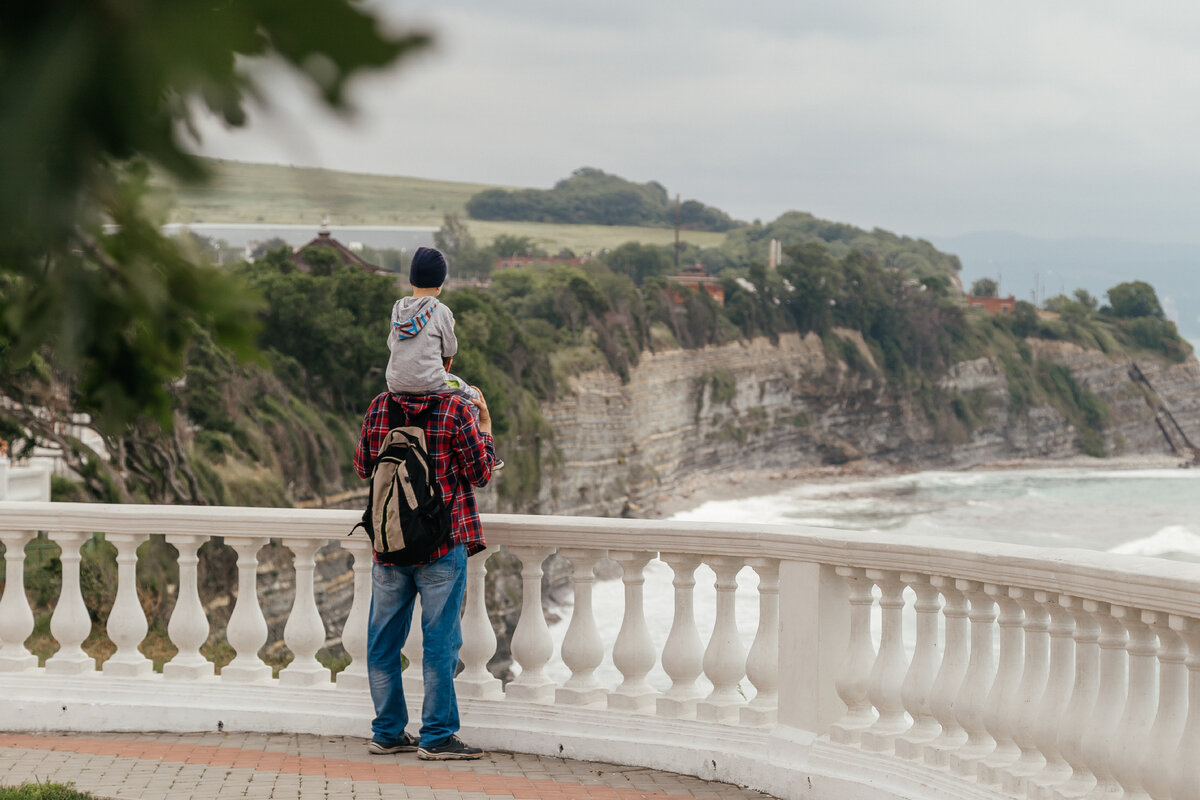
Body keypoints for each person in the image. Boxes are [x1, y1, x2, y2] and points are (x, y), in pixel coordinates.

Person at [353, 374, 496, 760]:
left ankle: (387, 732)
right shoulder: (456, 408)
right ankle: (436, 736)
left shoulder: (381, 405)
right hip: (441, 545)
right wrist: (484, 423)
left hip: (390, 545)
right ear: (443, 361)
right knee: (440, 644)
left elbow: (363, 466)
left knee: (382, 643)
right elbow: (481, 473)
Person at [385, 245, 503, 468]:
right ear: (440, 285)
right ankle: (484, 453)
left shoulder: (397, 308)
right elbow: (450, 350)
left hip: (395, 383)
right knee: (472, 397)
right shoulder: (441, 311)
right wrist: (451, 327)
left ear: (411, 281)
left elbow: (392, 343)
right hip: (434, 380)